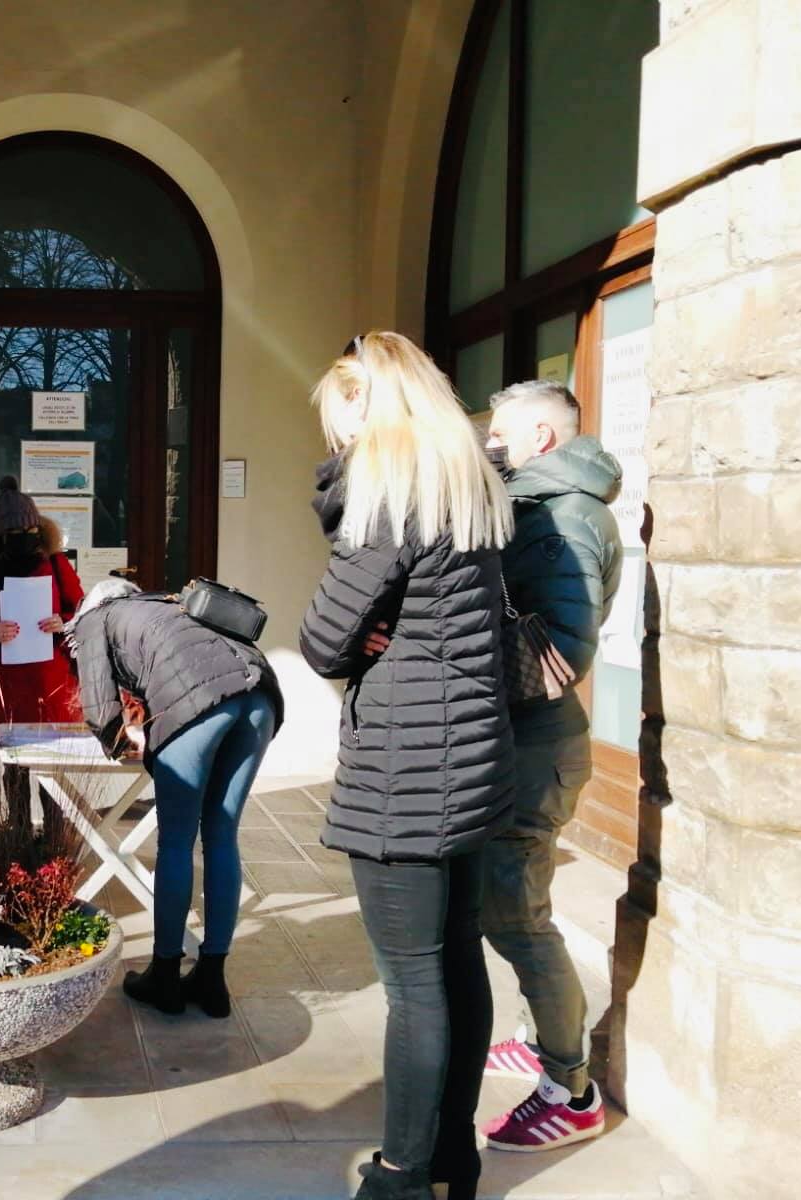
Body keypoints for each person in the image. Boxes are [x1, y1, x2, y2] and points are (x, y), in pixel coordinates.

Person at [299, 332, 514, 1200]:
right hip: (469, 755)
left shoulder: (388, 495)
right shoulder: (468, 484)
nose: (335, 444)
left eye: (339, 422)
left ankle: (398, 1175)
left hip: (406, 766)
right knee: (457, 960)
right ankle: (451, 1160)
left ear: (367, 408)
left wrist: (371, 635)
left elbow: (320, 639)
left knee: (413, 986)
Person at [477, 379, 622, 1151]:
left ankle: (571, 1089)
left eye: (500, 433)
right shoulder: (540, 504)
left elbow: (562, 652)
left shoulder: (566, 514)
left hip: (538, 743)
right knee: (514, 909)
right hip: (525, 739)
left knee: (515, 913)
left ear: (539, 438)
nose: (489, 444)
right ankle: (546, 1042)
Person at [68, 578, 283, 1018]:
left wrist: (119, 741)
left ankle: (164, 976)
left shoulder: (95, 619)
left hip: (202, 704)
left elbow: (98, 709)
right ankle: (212, 979)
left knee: (176, 841)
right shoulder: (168, 605)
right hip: (261, 699)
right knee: (222, 835)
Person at [0, 477, 84, 729]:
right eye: (15, 534)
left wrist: (62, 623)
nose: (25, 538)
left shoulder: (54, 562)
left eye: (31, 532)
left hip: (52, 686)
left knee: (55, 761)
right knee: (12, 762)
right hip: (3, 689)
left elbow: (82, 614)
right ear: (0, 535)